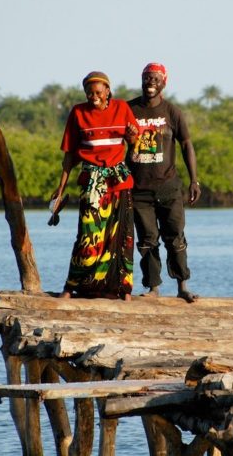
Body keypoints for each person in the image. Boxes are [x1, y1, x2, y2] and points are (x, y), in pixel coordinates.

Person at [52, 71, 139, 301]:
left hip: (119, 182)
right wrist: (60, 189)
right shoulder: (78, 113)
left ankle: (122, 290)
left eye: (98, 92)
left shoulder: (121, 108)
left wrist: (131, 136)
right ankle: (71, 287)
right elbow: (70, 156)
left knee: (120, 237)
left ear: (108, 91)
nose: (94, 97)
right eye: (89, 93)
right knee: (88, 235)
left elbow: (134, 142)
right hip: (92, 183)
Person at [127, 63, 201, 303]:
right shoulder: (130, 109)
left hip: (169, 187)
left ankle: (182, 286)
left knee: (175, 237)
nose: (151, 82)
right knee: (147, 240)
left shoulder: (172, 112)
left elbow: (187, 144)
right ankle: (153, 289)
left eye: (156, 79)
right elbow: (117, 143)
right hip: (138, 190)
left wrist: (194, 181)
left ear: (164, 83)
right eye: (147, 78)